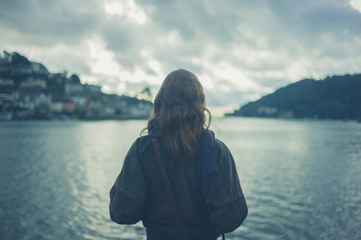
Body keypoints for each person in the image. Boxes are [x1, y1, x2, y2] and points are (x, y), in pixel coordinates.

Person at [109, 69, 248, 240]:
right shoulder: (217, 151)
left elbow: (121, 212)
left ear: (160, 103)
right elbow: (230, 219)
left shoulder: (142, 150)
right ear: (200, 103)